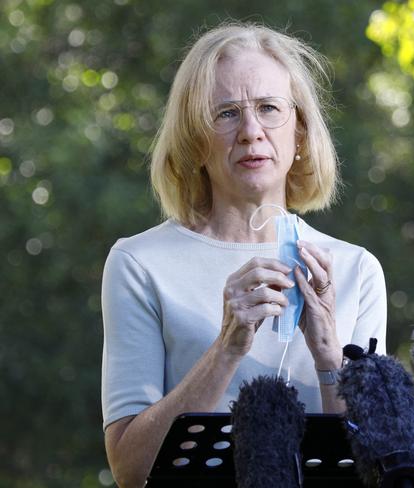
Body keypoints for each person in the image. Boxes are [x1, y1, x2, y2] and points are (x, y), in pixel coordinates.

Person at [101, 22, 387, 488]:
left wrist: (328, 356)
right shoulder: (139, 263)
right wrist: (226, 348)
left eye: (269, 109)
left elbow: (376, 468)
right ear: (194, 138)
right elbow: (130, 469)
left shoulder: (356, 269)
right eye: (227, 113)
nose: (251, 132)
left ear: (300, 130)